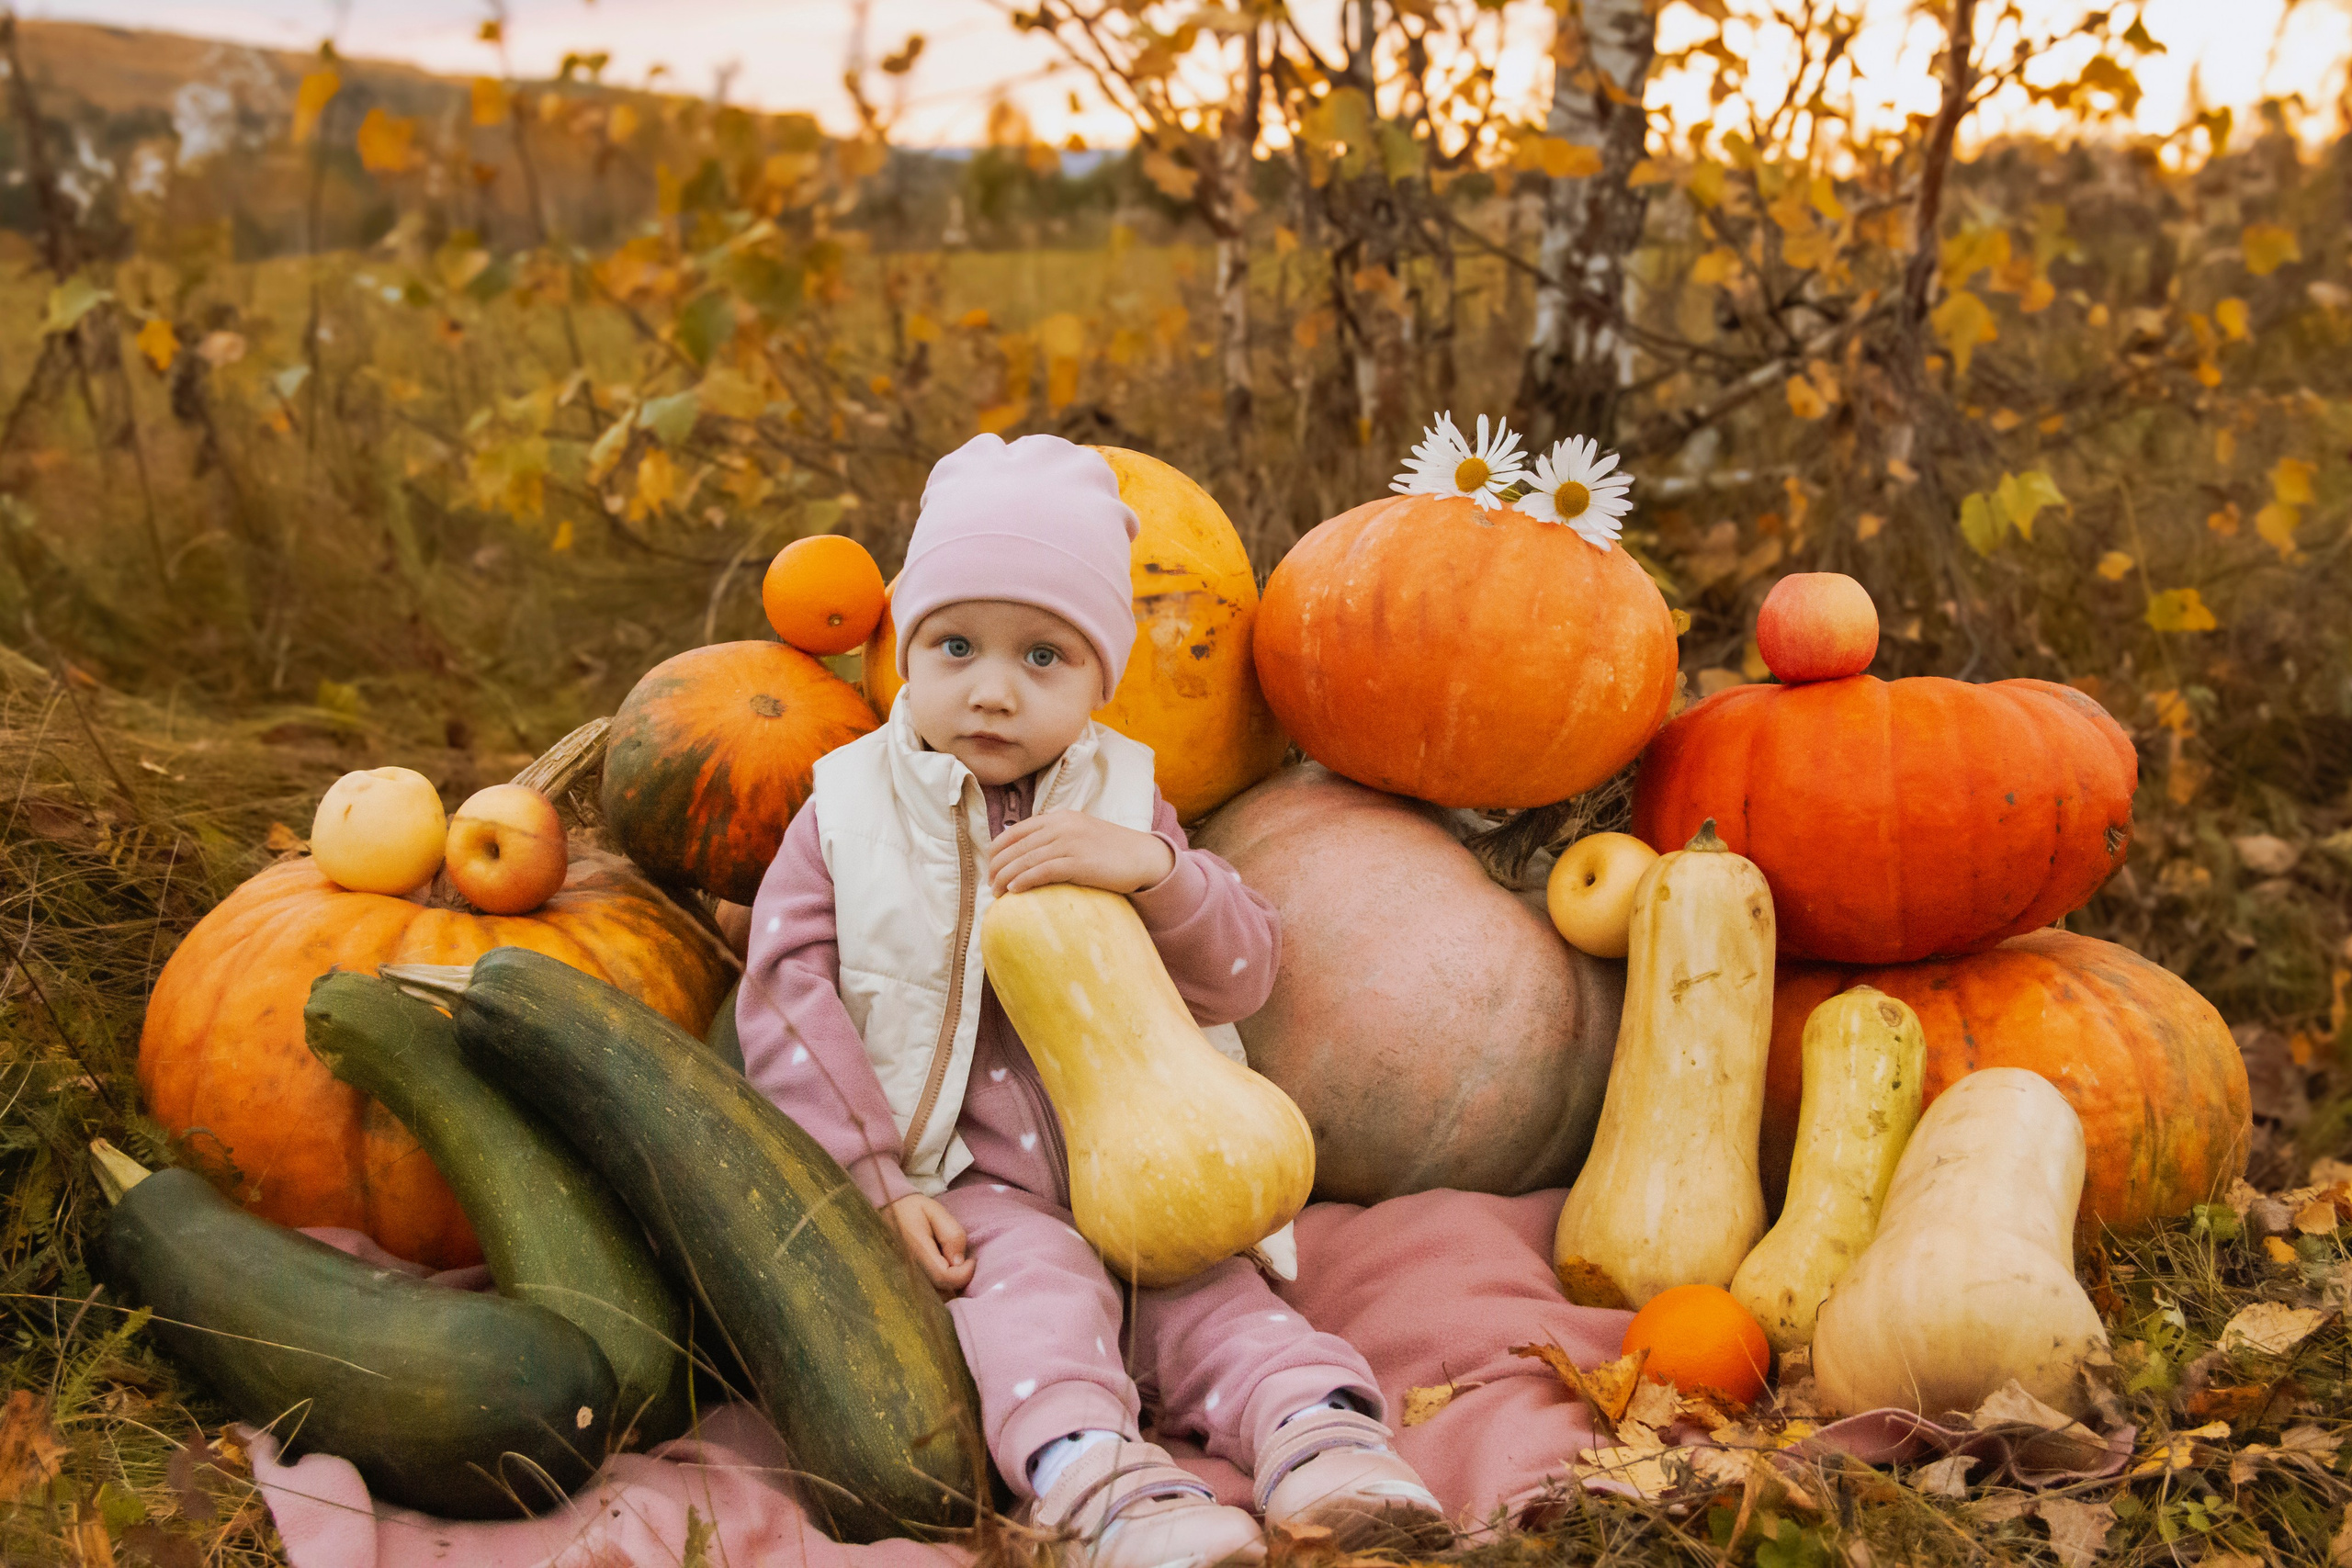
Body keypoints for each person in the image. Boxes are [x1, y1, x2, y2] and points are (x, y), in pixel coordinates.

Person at [737, 434, 1447, 1568]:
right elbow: (786, 1009)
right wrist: (873, 1182)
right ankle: (1098, 1482)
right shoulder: (848, 813)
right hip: (971, 1179)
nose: (992, 689)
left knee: (1226, 1308)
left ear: (1100, 678)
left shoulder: (1125, 802)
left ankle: (1323, 1440)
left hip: (1151, 1155)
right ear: (903, 652)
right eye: (955, 645)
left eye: (1044, 658)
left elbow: (1241, 973)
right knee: (1031, 1308)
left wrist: (1158, 874)